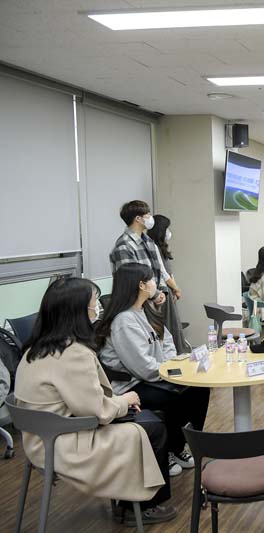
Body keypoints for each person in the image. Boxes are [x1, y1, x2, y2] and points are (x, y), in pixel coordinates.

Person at [14, 277, 176, 526]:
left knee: (148, 419)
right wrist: (125, 400)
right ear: (77, 312)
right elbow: (96, 411)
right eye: (93, 304)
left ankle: (131, 503)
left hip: (39, 438)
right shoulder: (73, 353)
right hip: (62, 443)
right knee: (153, 425)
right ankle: (141, 507)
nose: (97, 308)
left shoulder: (34, 350)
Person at [97, 263, 210, 478]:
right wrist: (171, 370)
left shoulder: (144, 310)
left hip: (156, 376)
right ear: (141, 285)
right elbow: (142, 368)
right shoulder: (123, 321)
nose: (155, 285)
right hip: (133, 385)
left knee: (199, 390)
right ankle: (166, 450)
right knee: (173, 398)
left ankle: (177, 446)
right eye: (151, 280)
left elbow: (166, 340)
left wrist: (172, 365)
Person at [109, 201, 187, 353]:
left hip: (153, 300)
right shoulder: (124, 246)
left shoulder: (148, 241)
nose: (151, 218)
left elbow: (159, 271)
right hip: (137, 304)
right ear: (138, 219)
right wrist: (155, 294)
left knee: (164, 343)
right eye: (148, 215)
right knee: (147, 348)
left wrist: (162, 292)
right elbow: (131, 280)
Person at [147, 214, 187, 353]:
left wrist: (176, 289)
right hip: (163, 291)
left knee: (174, 324)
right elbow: (163, 274)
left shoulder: (160, 247)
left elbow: (169, 273)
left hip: (169, 290)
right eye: (167, 228)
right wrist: (176, 289)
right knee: (170, 325)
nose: (169, 232)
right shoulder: (152, 247)